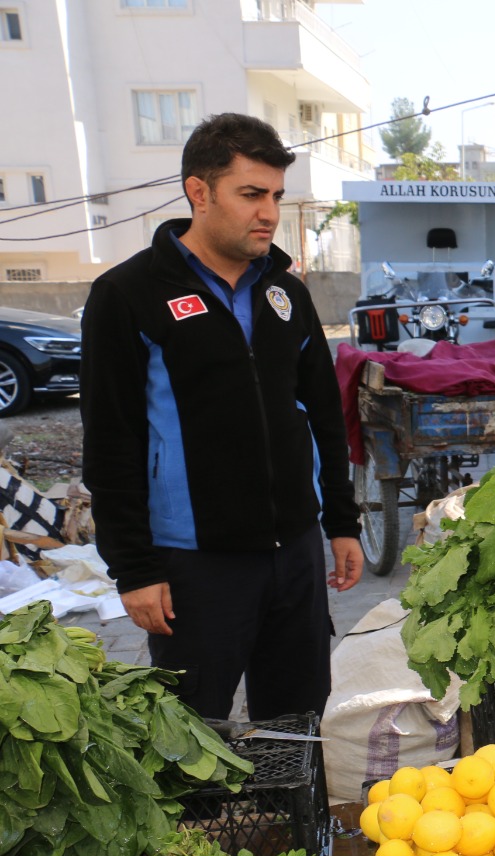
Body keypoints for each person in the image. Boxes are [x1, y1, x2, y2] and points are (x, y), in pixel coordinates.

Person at [80, 113, 361, 719]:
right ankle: (200, 820)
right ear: (199, 192)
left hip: (294, 555)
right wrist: (133, 568)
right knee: (193, 731)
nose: (269, 212)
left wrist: (341, 522)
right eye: (251, 194)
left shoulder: (288, 294)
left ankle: (297, 819)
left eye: (277, 196)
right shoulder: (128, 295)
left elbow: (324, 416)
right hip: (193, 565)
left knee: (299, 720)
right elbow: (111, 443)